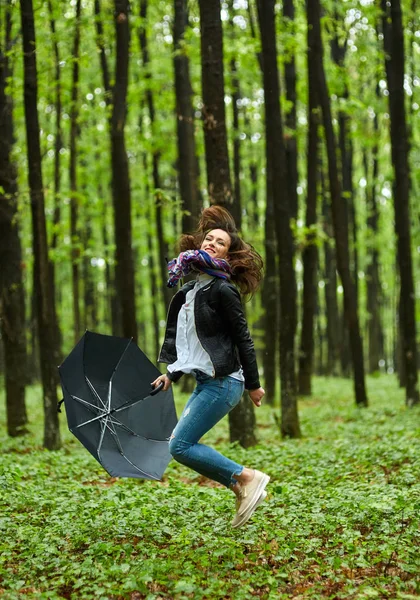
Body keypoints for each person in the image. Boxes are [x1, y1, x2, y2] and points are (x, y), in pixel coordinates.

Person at [151, 206, 269, 528]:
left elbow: (243, 339)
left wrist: (253, 384)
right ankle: (241, 486)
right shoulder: (191, 291)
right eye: (209, 239)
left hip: (226, 383)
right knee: (181, 443)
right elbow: (191, 346)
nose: (211, 243)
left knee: (179, 444)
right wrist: (171, 374)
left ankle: (246, 477)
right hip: (207, 382)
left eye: (220, 243)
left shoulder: (223, 289)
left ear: (228, 256)